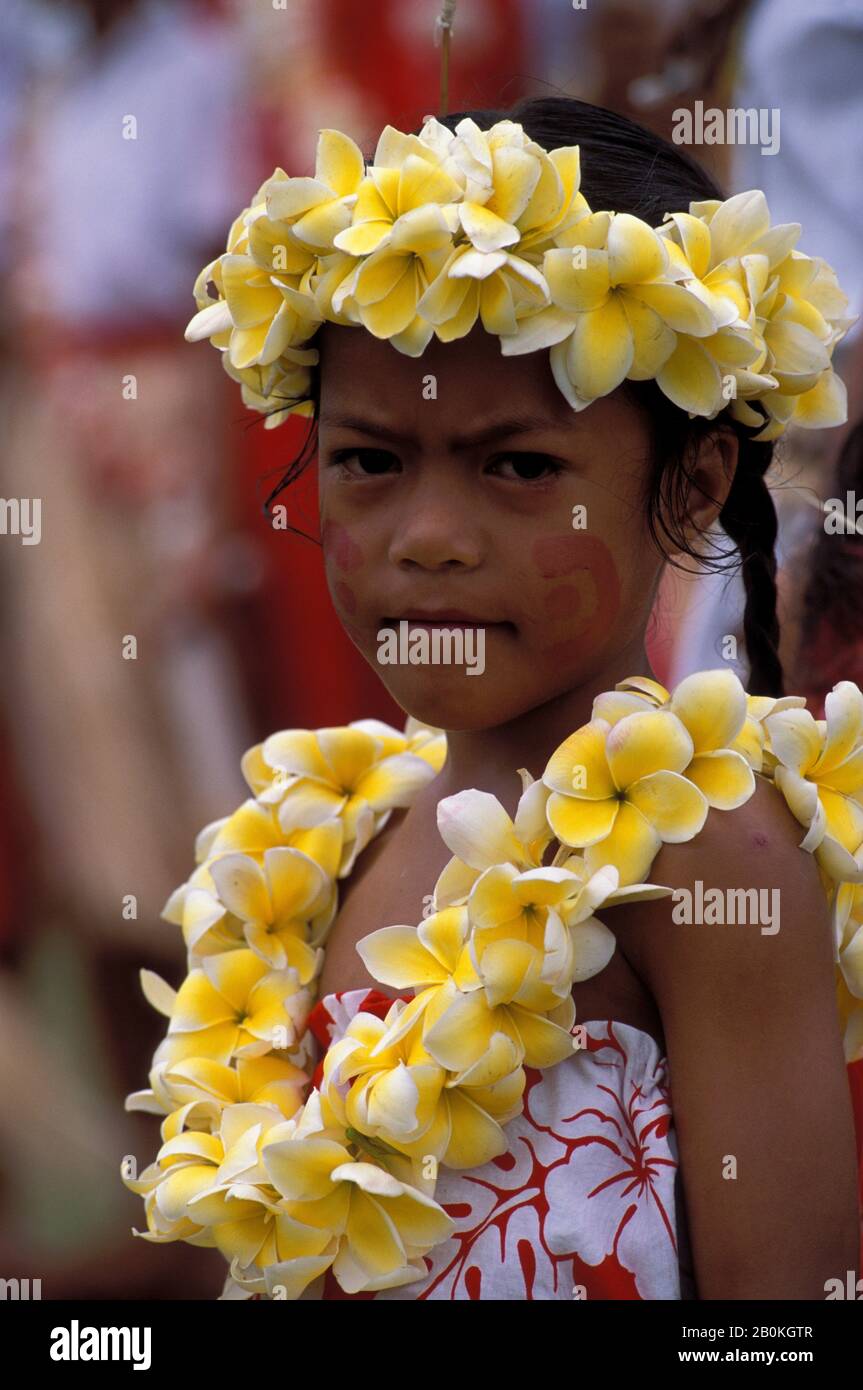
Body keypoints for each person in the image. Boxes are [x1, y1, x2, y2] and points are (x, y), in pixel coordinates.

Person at [125, 96, 863, 1301]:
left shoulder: (701, 853)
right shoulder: (325, 850)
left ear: (693, 485)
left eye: (518, 467)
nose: (426, 539)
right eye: (368, 461)